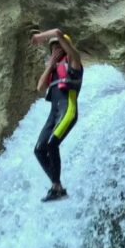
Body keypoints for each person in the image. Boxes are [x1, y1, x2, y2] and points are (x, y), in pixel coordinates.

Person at [29, 29, 83, 202]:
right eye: (52, 48)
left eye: (58, 47)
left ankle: (56, 187)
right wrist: (50, 66)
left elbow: (58, 32)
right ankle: (57, 186)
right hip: (54, 114)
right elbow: (40, 88)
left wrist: (39, 37)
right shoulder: (53, 70)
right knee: (39, 150)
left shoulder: (73, 60)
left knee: (52, 144)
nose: (55, 51)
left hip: (68, 110)